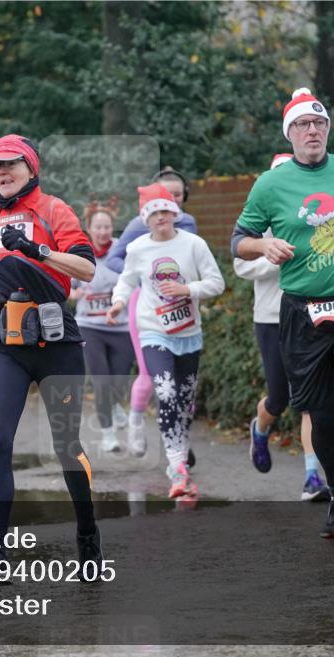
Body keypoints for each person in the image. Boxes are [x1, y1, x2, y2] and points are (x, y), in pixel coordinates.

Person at [231, 88, 334, 538]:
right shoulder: (270, 185)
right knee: (321, 411)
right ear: (290, 133)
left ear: (327, 130)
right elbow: (238, 239)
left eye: (319, 124)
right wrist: (263, 244)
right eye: (303, 124)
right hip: (301, 312)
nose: (313, 130)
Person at [0, 134, 102, 576]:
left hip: (57, 341)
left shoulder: (54, 209)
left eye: (10, 164)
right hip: (8, 341)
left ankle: (88, 532)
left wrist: (37, 249)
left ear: (30, 168)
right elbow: (7, 284)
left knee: (66, 448)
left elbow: (86, 269)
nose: (1, 172)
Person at [106, 183, 225, 499]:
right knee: (166, 392)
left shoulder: (194, 245)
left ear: (175, 212)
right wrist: (118, 303)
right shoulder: (137, 249)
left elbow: (217, 282)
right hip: (153, 331)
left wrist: (188, 291)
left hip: (188, 334)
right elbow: (126, 281)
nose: (161, 217)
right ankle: (178, 468)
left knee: (184, 404)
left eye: (166, 210)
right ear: (145, 218)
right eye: (154, 212)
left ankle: (178, 458)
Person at [234, 153, 329, 501]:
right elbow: (240, 266)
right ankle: (260, 430)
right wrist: (274, 261)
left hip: (309, 315)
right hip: (271, 318)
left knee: (310, 399)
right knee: (279, 397)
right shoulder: (261, 218)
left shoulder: (313, 218)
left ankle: (311, 476)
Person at [105, 167, 198, 457]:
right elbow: (113, 259)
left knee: (185, 382)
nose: (171, 201)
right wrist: (144, 276)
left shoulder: (189, 224)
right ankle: (135, 424)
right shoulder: (137, 224)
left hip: (182, 307)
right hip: (144, 304)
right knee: (148, 373)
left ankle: (181, 440)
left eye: (177, 195)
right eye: (165, 194)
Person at [71, 197, 136, 453]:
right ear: (89, 228)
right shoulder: (80, 252)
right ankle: (108, 433)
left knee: (119, 380)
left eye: (107, 227)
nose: (102, 232)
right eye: (97, 227)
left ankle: (117, 404)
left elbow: (133, 279)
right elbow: (68, 285)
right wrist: (72, 294)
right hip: (90, 325)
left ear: (112, 228)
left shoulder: (122, 250)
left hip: (121, 326)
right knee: (101, 380)